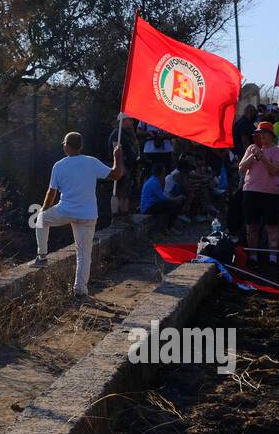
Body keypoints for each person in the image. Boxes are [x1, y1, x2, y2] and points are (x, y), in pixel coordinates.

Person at [28, 131, 125, 298]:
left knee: (41, 220)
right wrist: (118, 155)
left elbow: (51, 193)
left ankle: (42, 256)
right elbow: (117, 174)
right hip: (88, 215)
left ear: (66, 147)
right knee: (83, 254)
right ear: (81, 146)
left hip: (65, 211)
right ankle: (80, 291)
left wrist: (44, 210)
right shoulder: (91, 162)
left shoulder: (59, 165)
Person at [239, 121, 279, 263]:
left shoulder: (278, 150)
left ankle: (273, 258)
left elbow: (274, 171)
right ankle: (253, 256)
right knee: (251, 225)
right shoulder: (251, 148)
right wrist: (252, 156)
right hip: (251, 191)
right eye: (259, 133)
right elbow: (241, 168)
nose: (261, 136)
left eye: (264, 133)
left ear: (271, 135)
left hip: (270, 193)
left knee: (271, 226)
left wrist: (263, 157)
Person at [107, 114, 140, 222]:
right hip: (121, 167)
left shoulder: (128, 134)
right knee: (117, 192)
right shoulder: (117, 134)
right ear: (123, 121)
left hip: (129, 167)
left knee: (125, 192)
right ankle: (116, 216)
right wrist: (121, 167)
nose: (131, 122)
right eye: (129, 120)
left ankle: (124, 214)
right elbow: (116, 151)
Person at [139, 162, 189, 228]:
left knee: (171, 204)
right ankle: (169, 227)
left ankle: (171, 226)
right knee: (172, 205)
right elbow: (162, 198)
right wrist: (175, 199)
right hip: (148, 208)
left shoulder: (154, 180)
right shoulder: (154, 182)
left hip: (151, 205)